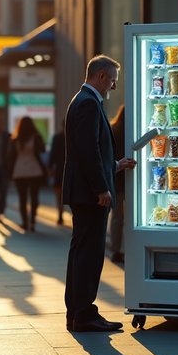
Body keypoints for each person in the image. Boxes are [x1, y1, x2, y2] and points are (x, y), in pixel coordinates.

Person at [63, 55, 136, 332]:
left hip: (85, 191)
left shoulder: (83, 101)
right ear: (102, 77)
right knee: (89, 254)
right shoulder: (89, 104)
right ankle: (84, 314)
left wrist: (116, 165)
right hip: (89, 194)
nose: (114, 87)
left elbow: (92, 152)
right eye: (114, 80)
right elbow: (88, 151)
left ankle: (78, 312)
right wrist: (101, 188)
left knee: (83, 252)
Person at [7, 116, 46, 232]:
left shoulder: (16, 139)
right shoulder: (36, 137)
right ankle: (32, 220)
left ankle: (25, 222)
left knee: (22, 198)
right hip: (35, 170)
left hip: (19, 171)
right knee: (34, 197)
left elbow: (11, 156)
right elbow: (42, 150)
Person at [109, 105, 126, 264]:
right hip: (130, 178)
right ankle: (128, 248)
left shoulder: (113, 129)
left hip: (115, 179)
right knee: (131, 217)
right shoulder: (132, 132)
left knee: (117, 217)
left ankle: (115, 249)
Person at [48, 121, 66, 225]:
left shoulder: (58, 137)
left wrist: (50, 167)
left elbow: (52, 153)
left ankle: (61, 213)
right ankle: (60, 213)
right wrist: (50, 167)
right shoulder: (58, 138)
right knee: (59, 193)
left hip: (63, 169)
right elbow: (53, 153)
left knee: (61, 193)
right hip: (60, 169)